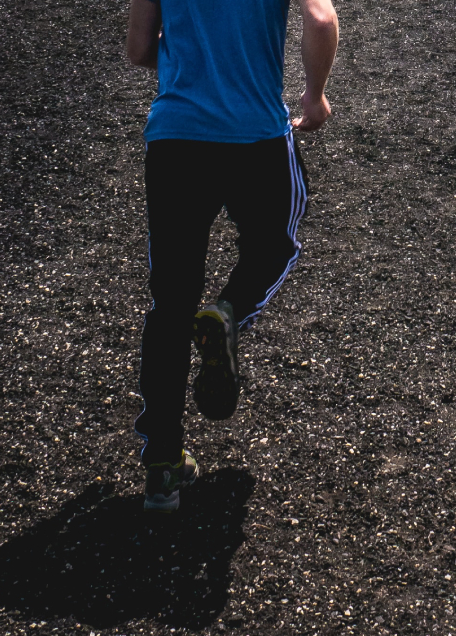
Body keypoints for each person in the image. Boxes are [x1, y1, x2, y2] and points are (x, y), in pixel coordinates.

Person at [126, 0, 338, 511]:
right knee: (277, 244)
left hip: (176, 138)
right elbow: (321, 19)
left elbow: (138, 49)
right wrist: (314, 96)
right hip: (256, 136)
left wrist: (193, 63)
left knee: (170, 302)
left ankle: (162, 466)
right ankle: (228, 311)